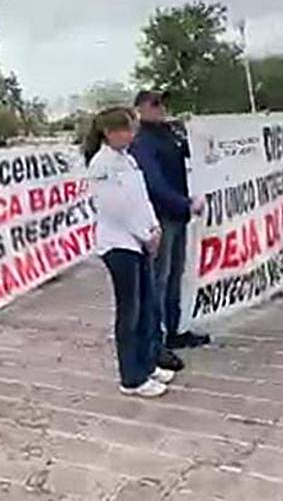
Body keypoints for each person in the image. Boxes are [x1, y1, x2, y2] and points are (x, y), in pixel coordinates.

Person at [84, 108, 175, 398]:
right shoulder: (102, 165)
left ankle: (148, 363)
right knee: (130, 312)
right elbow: (116, 208)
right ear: (110, 132)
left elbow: (141, 198)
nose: (132, 135)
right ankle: (131, 377)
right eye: (127, 130)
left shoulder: (128, 160)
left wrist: (154, 227)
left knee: (148, 306)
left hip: (140, 240)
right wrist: (144, 234)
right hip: (119, 244)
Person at [131, 91, 211, 352]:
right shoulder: (142, 140)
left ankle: (175, 329)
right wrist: (184, 204)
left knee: (176, 275)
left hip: (177, 213)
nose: (161, 108)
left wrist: (196, 131)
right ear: (140, 108)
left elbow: (195, 153)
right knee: (160, 278)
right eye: (154, 104)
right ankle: (156, 337)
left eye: (163, 103)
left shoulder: (169, 133)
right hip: (161, 216)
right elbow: (153, 183)